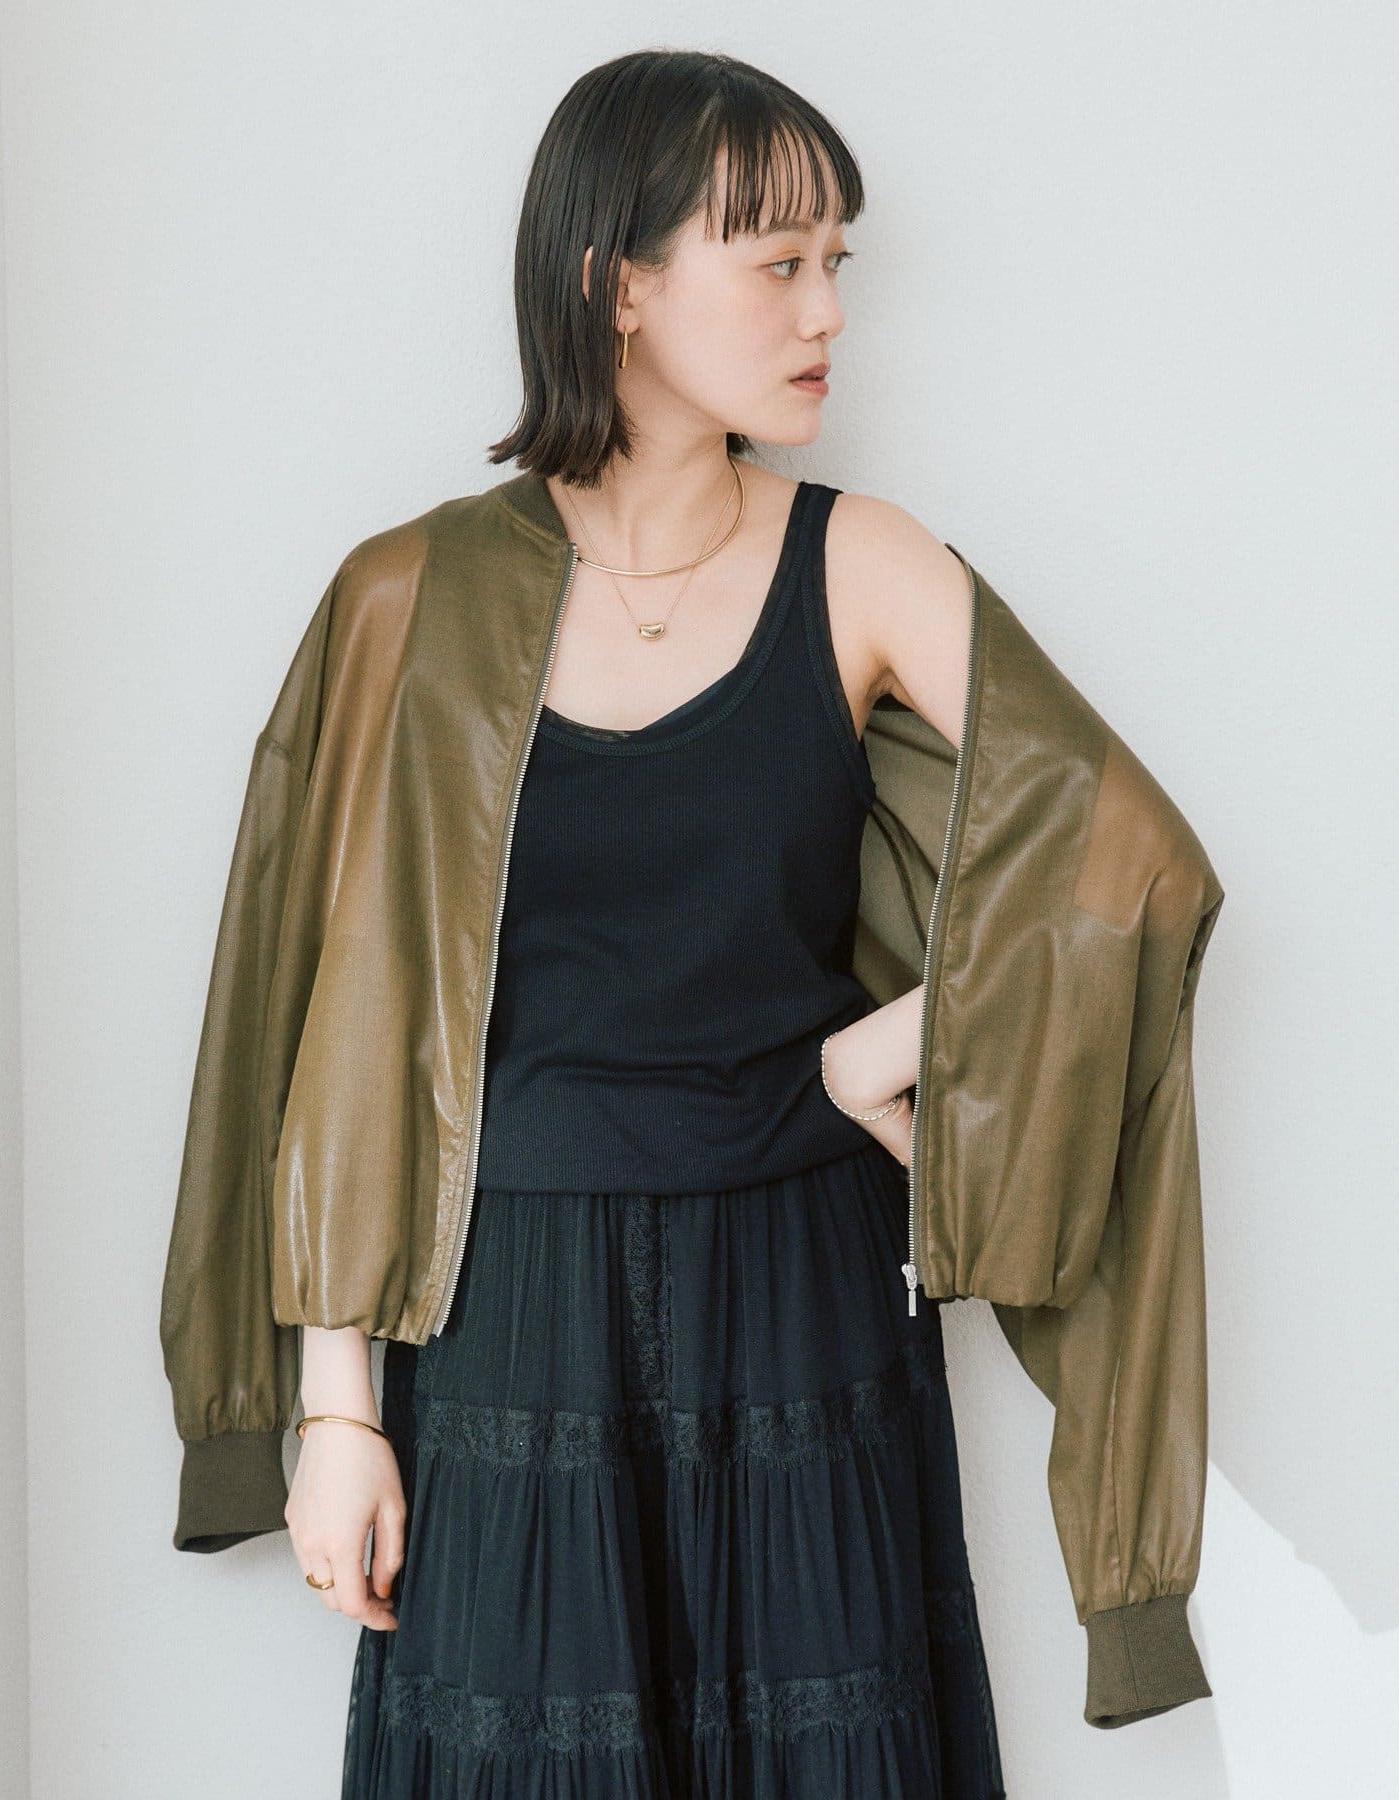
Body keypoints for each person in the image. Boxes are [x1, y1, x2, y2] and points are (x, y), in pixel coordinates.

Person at [162, 45, 1223, 1798]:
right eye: (777, 260)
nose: (827, 311)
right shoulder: (409, 596)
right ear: (620, 283)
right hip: (507, 1307)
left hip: (804, 1296)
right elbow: (323, 1014)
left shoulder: (861, 561)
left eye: (835, 262)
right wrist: (330, 1408)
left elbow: (1134, 867)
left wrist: (898, 1044)